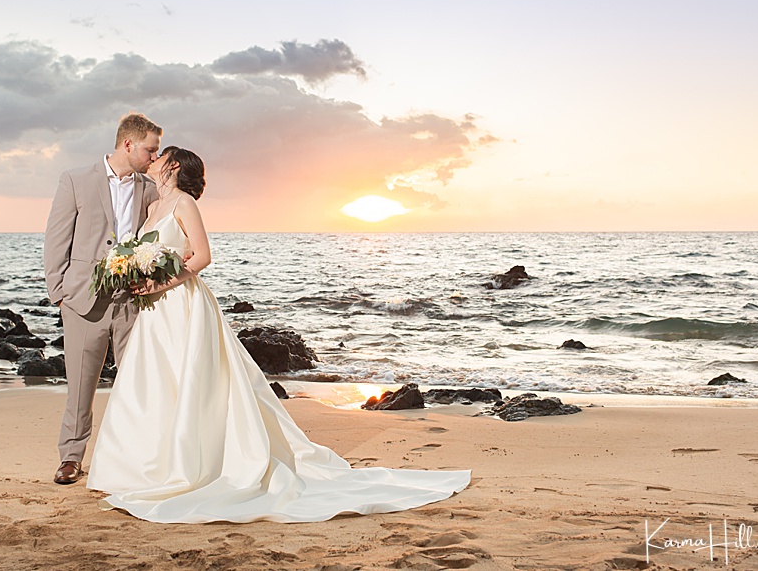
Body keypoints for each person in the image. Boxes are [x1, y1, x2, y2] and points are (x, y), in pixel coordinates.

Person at [86, 147, 471, 523]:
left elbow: (201, 257)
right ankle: (146, 466)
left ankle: (194, 466)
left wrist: (161, 284)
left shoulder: (184, 204)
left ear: (172, 167)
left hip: (181, 304)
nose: (152, 162)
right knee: (155, 384)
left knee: (191, 383)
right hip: (155, 312)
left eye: (159, 157)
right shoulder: (154, 207)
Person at [43, 112, 162, 485]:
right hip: (83, 300)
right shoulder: (75, 179)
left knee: (133, 384)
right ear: (128, 144)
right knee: (80, 386)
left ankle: (129, 458)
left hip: (132, 299)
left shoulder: (150, 187)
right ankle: (71, 458)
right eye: (150, 150)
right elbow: (56, 238)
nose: (154, 157)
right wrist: (58, 294)